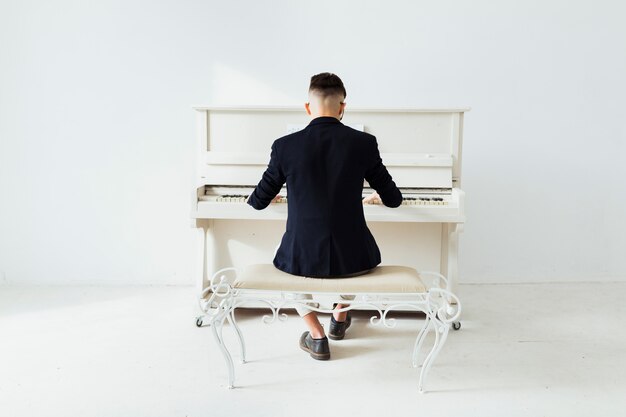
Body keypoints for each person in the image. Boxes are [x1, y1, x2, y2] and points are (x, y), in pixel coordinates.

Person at [247, 72, 402, 360]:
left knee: (286, 265)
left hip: (301, 255)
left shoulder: (285, 146)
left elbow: (257, 201)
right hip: (354, 256)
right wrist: (378, 196)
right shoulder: (364, 143)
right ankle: (339, 320)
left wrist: (279, 196)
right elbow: (394, 200)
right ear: (343, 107)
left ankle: (316, 336)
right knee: (356, 263)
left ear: (308, 107)